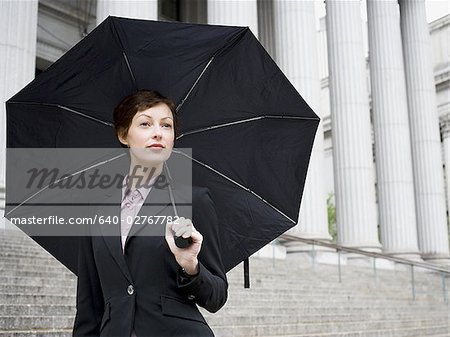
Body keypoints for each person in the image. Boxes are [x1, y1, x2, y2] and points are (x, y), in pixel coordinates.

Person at [72, 90, 228, 337]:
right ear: (123, 135)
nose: (158, 132)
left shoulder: (193, 200)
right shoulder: (96, 210)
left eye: (166, 125)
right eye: (145, 123)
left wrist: (191, 266)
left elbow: (217, 296)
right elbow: (89, 303)